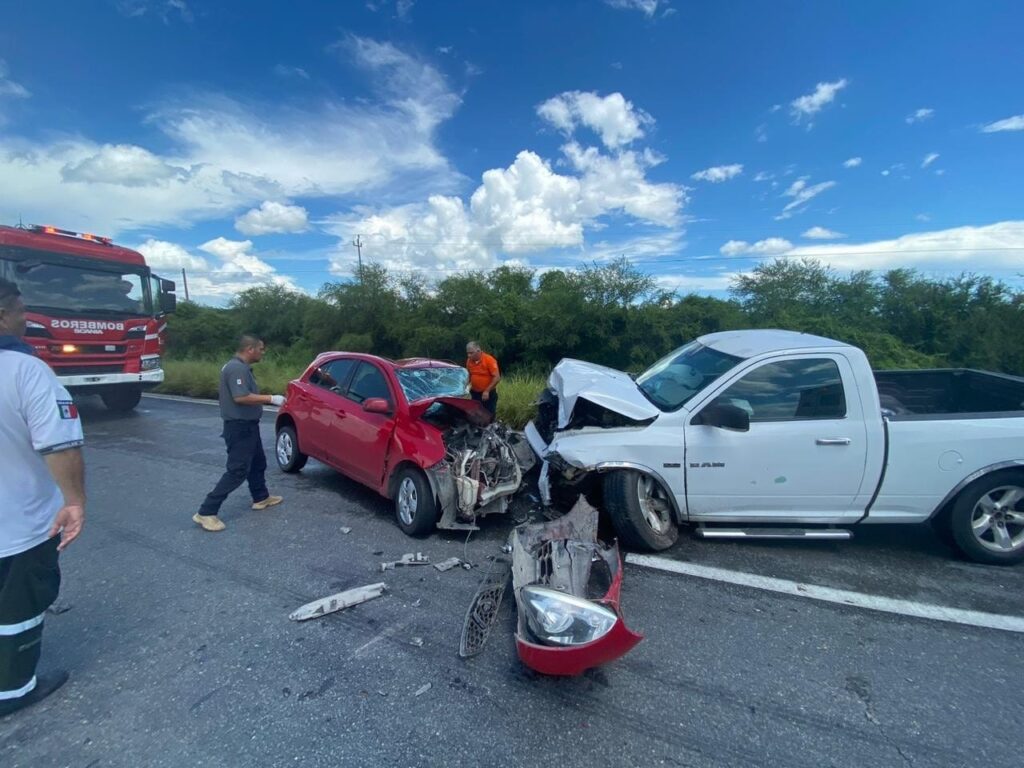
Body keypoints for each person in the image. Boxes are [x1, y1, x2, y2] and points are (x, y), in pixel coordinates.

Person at [0, 278, 85, 718]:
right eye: (20, 309)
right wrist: (74, 501)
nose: (26, 317)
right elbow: (60, 444)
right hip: (18, 524)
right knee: (19, 603)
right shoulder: (24, 369)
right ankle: (14, 689)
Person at [193, 334, 286, 532]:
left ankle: (260, 497)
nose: (263, 352)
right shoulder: (236, 368)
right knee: (237, 471)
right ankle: (206, 511)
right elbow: (241, 397)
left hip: (248, 426)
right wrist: (271, 398)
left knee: (258, 462)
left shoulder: (240, 368)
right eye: (260, 349)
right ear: (250, 349)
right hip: (239, 427)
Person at [465, 341, 501, 417]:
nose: (469, 355)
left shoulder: (489, 360)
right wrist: (465, 387)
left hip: (488, 393)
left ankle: (491, 427)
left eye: (471, 353)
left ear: (478, 351)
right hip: (475, 393)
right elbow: (469, 375)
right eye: (468, 353)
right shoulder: (469, 361)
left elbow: (497, 377)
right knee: (475, 414)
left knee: (489, 414)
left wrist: (487, 391)